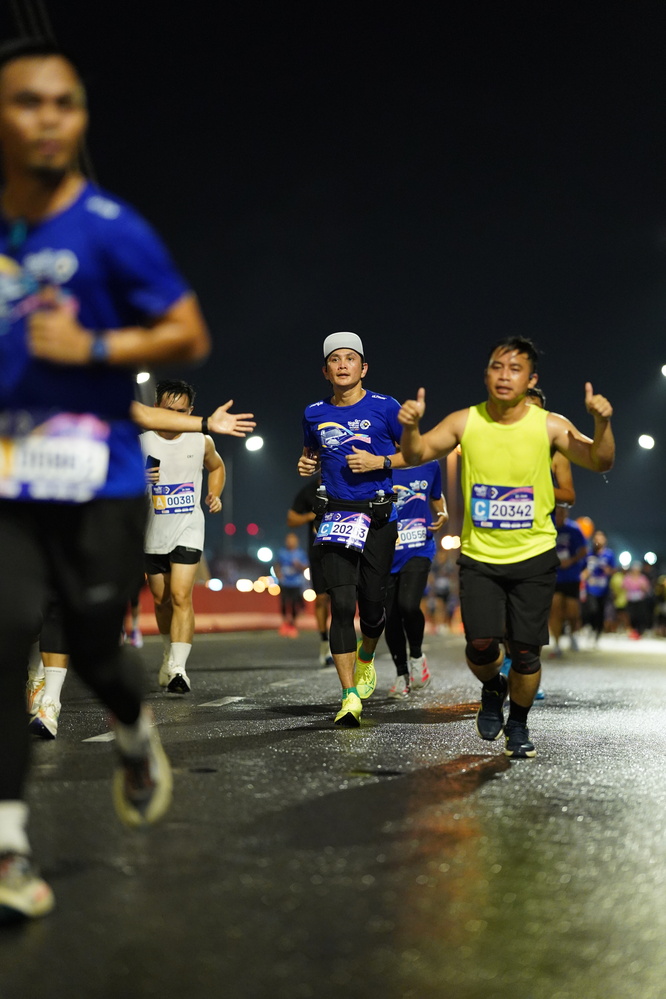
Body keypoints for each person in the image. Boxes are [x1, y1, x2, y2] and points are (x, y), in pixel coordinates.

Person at [0, 37, 212, 921]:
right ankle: (9, 847)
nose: (48, 119)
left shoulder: (110, 226)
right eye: (27, 102)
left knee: (94, 643)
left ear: (80, 118)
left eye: (65, 103)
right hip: (12, 483)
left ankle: (133, 728)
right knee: (6, 633)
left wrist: (94, 345)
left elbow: (188, 331)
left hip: (100, 482)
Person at [398, 336, 614, 759]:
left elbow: (601, 461)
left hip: (534, 556)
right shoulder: (465, 421)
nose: (504, 375)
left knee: (526, 652)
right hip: (480, 557)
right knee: (480, 646)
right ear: (486, 375)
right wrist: (410, 427)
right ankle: (493, 687)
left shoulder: (550, 425)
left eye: (516, 369)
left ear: (530, 379)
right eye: (497, 367)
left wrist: (602, 423)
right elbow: (418, 452)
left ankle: (518, 723)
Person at [298, 331, 404, 727]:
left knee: (373, 609)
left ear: (363, 368)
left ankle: (366, 655)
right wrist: (306, 464)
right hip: (336, 516)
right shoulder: (313, 412)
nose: (343, 365)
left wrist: (380, 463)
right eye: (335, 360)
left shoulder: (386, 407)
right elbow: (310, 454)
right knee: (341, 604)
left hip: (377, 517)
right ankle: (348, 697)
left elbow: (417, 452)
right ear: (326, 371)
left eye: (350, 359)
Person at [141, 379, 224, 694]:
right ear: (156, 409)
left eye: (182, 411)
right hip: (152, 531)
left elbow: (217, 467)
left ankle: (178, 669)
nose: (176, 417)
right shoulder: (141, 443)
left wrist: (214, 493)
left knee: (180, 595)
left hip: (189, 528)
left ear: (191, 411)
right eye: (169, 410)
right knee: (161, 601)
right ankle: (168, 654)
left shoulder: (200, 441)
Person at [385, 462, 448, 696]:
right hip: (386, 552)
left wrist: (443, 512)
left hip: (419, 546)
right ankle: (401, 674)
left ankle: (417, 657)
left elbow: (436, 495)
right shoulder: (379, 464)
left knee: (408, 605)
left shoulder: (430, 465)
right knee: (390, 616)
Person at [287, 476, 333, 665]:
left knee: (341, 599)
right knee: (321, 599)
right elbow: (291, 519)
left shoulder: (343, 483)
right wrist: (310, 516)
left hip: (343, 549)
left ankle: (342, 643)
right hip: (317, 552)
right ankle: (325, 643)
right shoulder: (308, 491)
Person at [549, 503, 588, 657]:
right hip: (554, 576)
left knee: (572, 611)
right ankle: (557, 644)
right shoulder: (548, 528)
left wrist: (571, 561)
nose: (559, 515)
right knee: (555, 609)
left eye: (562, 512)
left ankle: (573, 634)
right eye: (557, 512)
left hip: (571, 576)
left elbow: (584, 550)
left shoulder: (574, 529)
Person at [581, 530, 616, 644]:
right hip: (591, 587)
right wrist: (585, 574)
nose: (598, 541)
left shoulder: (609, 554)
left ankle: (597, 632)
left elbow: (613, 570)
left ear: (605, 540)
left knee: (601, 611)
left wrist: (606, 569)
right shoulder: (589, 554)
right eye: (596, 538)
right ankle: (590, 627)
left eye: (600, 538)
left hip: (604, 589)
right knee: (592, 609)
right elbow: (583, 570)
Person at [275, 532, 308, 637]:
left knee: (294, 604)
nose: (290, 542)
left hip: (296, 582)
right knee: (284, 602)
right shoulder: (282, 552)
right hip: (285, 582)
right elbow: (277, 565)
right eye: (288, 540)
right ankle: (285, 623)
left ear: (296, 541)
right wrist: (278, 574)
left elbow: (305, 567)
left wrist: (299, 565)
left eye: (292, 540)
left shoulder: (301, 553)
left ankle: (293, 624)